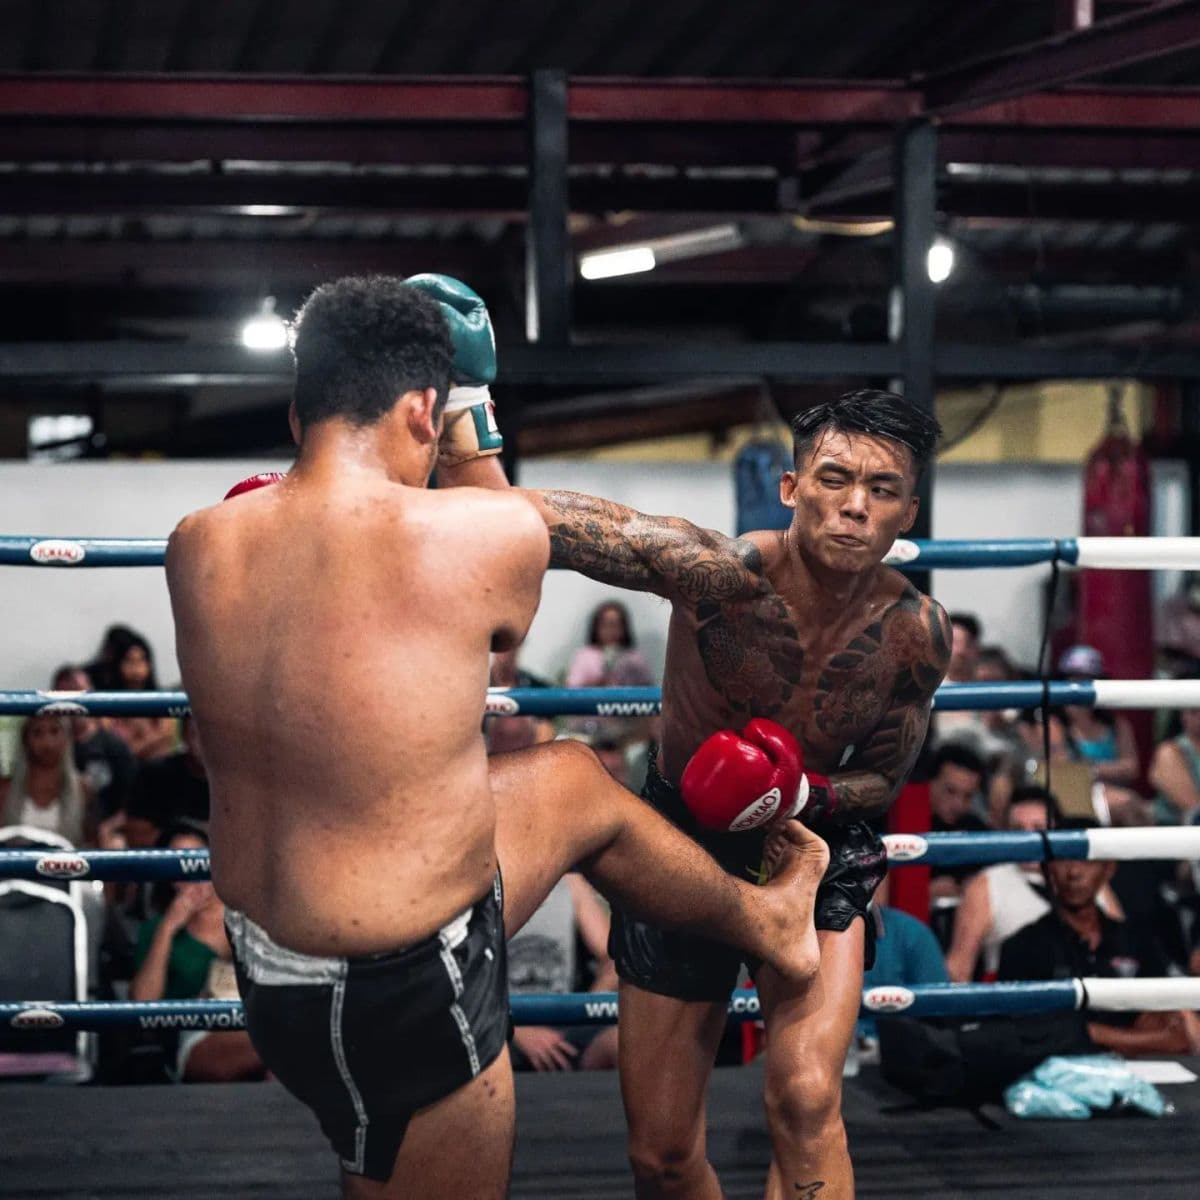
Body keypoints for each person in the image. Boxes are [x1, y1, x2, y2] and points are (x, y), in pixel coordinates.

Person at [164, 274, 827, 1200]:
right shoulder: (471, 537)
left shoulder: (200, 540)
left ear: (294, 411)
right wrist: (470, 407)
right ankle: (770, 920)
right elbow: (505, 571)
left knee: (571, 784)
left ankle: (767, 920)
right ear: (421, 412)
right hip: (402, 986)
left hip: (269, 963)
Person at [472, 388, 948, 1198]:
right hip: (682, 842)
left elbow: (883, 776)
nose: (855, 507)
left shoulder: (916, 633)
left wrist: (797, 795)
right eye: (835, 480)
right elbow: (554, 522)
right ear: (791, 487)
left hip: (815, 845)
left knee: (808, 1099)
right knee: (660, 1154)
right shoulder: (719, 575)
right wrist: (454, 451)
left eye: (883, 490)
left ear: (908, 511)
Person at [998, 822, 1200, 1057]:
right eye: (1064, 860)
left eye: (1086, 861)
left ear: (1108, 869)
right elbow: (1027, 1035)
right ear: (1047, 869)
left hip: (1145, 1073)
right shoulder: (1022, 946)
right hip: (1057, 1073)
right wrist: (1139, 1038)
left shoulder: (1136, 939)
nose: (1074, 873)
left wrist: (1091, 1034)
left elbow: (1175, 1033)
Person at [131, 824, 267, 1082]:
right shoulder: (158, 927)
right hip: (198, 1033)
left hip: (256, 1018)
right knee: (281, 1043)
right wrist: (168, 928)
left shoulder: (248, 914)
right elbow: (142, 1004)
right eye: (180, 865)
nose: (192, 873)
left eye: (198, 861)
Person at [945, 785, 1056, 981]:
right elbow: (958, 969)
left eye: (1038, 828)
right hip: (1014, 992)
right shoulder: (987, 885)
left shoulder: (1085, 879)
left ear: (1056, 831)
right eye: (1018, 829)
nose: (1029, 838)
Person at [1057, 645, 1140, 786]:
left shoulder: (1117, 725)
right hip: (1071, 794)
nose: (1078, 690)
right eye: (1072, 681)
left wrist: (1091, 770)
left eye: (1085, 681)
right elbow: (1057, 768)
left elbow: (1132, 768)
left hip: (1114, 794)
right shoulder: (1054, 725)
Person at [0, 714, 87, 845]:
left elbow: (92, 844)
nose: (47, 743)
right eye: (37, 733)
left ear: (67, 737)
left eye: (54, 731)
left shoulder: (83, 789)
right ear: (25, 740)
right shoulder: (6, 790)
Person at [927, 743, 990, 900]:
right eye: (950, 791)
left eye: (968, 796)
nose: (958, 804)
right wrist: (923, 892)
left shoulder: (979, 833)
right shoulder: (902, 826)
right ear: (930, 783)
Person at [1149, 703, 1200, 824]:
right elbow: (1192, 806)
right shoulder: (1169, 751)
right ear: (1183, 716)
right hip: (1178, 828)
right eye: (1194, 711)